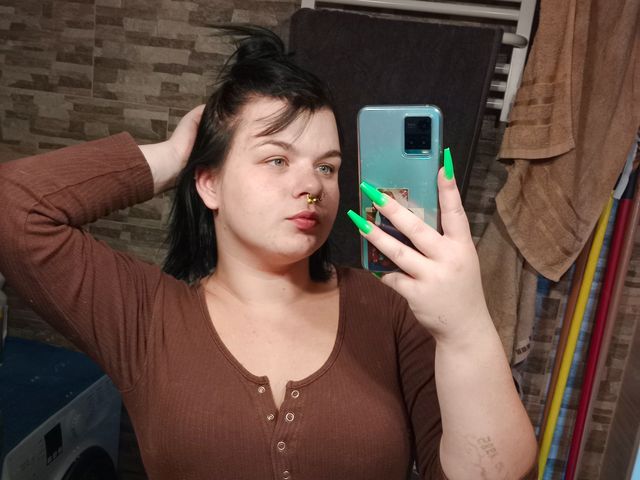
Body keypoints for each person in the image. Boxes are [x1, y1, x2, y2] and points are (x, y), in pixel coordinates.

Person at [0, 26, 537, 479]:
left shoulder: (392, 306)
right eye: (278, 160)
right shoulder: (145, 317)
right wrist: (174, 157)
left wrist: (466, 327)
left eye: (327, 167)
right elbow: (14, 208)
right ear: (209, 184)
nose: (312, 186)